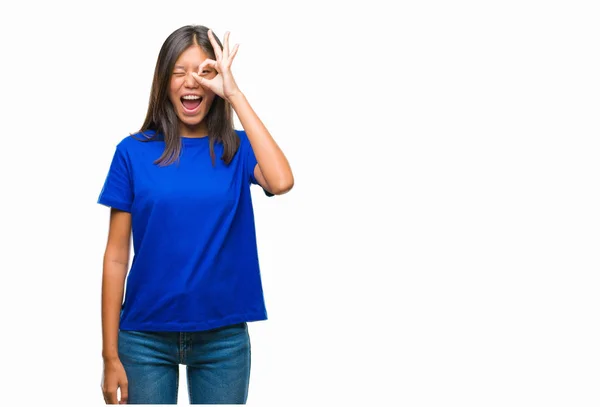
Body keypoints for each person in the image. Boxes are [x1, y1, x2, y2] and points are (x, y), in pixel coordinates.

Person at [97, 24, 293, 405]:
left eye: (204, 71)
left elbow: (282, 180)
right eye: (179, 71)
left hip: (223, 339)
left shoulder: (235, 149)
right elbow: (116, 257)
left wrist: (235, 94)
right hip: (144, 338)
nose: (192, 82)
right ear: (164, 80)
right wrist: (109, 355)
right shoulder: (132, 152)